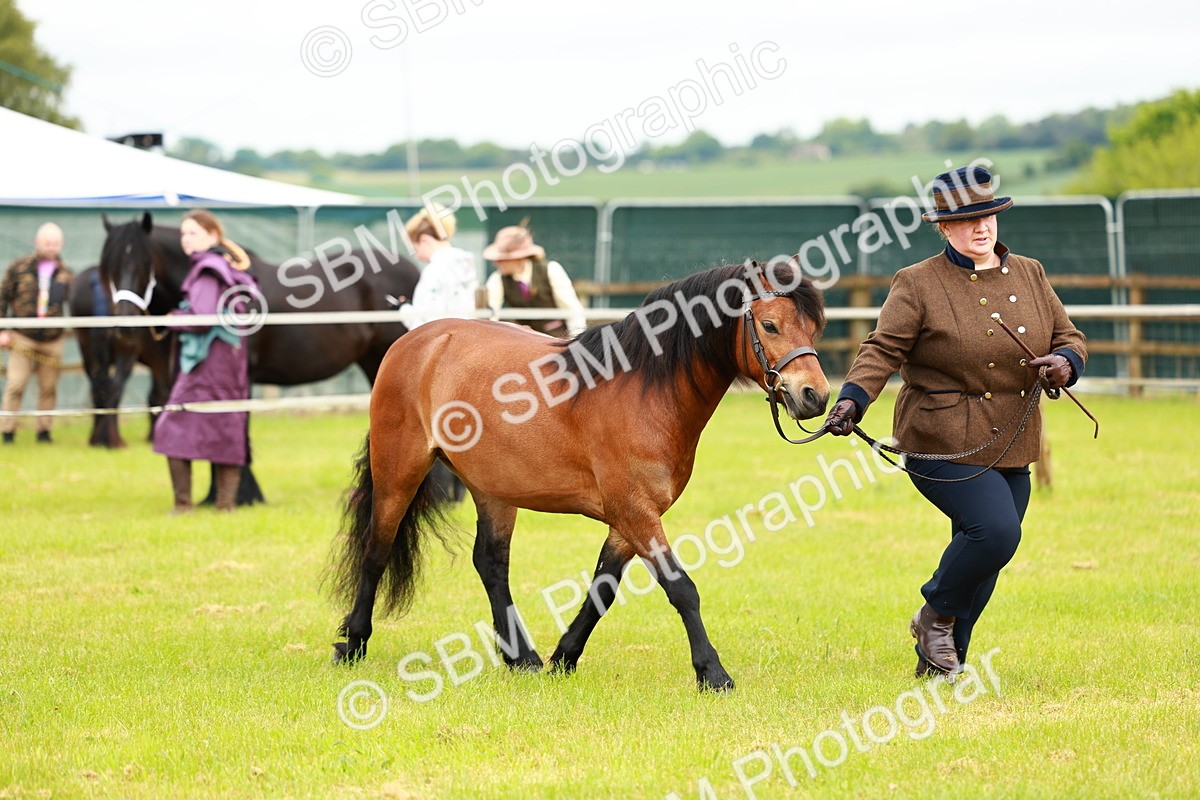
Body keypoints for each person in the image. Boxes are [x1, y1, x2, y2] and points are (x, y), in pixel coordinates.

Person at [823, 165, 1088, 678]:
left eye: (987, 216)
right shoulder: (918, 283)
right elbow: (882, 348)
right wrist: (854, 399)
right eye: (967, 221)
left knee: (986, 553)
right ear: (943, 227)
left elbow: (1070, 337)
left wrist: (1065, 364)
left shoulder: (1030, 272)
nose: (981, 227)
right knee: (994, 532)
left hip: (1013, 435)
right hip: (939, 437)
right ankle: (934, 613)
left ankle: (942, 664)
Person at [152, 210, 256, 512]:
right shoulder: (227, 266)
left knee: (170, 427)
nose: (186, 240)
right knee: (227, 427)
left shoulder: (208, 269)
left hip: (208, 364)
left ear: (213, 236)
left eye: (193, 233)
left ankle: (183, 505)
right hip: (230, 363)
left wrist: (173, 319)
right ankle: (225, 506)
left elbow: (201, 319)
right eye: (184, 234)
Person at [1, 222, 73, 444]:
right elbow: (3, 296)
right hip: (23, 337)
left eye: (55, 243)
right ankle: (8, 431)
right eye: (47, 242)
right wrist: (2, 329)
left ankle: (44, 431)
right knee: (16, 384)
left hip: (52, 339)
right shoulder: (19, 267)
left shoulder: (66, 274)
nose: (51, 247)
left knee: (49, 387)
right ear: (37, 242)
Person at [483, 225, 587, 337]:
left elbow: (572, 311)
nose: (496, 263)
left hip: (557, 340)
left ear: (519, 258)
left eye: (501, 259)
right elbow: (491, 315)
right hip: (524, 341)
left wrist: (575, 342)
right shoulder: (497, 279)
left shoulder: (551, 270)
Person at [397, 205, 478, 328]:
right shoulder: (466, 265)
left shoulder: (434, 271)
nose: (416, 256)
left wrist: (404, 310)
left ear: (424, 240)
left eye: (415, 248)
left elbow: (428, 324)